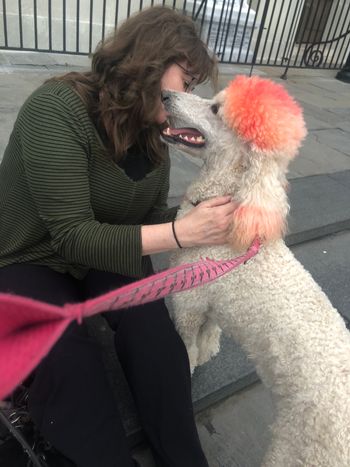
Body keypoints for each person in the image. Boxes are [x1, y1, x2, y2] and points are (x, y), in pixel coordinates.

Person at [0, 6, 236, 467]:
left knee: (154, 334)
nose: (186, 98)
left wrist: (220, 208)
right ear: (149, 59)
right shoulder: (56, 109)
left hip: (103, 247)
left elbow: (149, 217)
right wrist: (181, 233)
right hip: (29, 255)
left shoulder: (152, 132)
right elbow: (71, 235)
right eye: (185, 82)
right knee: (72, 363)